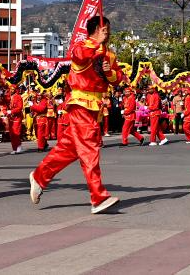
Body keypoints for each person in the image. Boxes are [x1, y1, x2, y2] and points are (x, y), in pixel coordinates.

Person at [28, 16, 124, 214]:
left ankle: (39, 176)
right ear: (97, 29)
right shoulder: (81, 47)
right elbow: (79, 57)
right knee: (89, 149)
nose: (108, 32)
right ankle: (98, 197)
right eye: (105, 29)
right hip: (81, 104)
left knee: (68, 149)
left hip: (96, 106)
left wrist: (110, 73)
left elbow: (117, 78)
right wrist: (96, 44)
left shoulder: (109, 54)